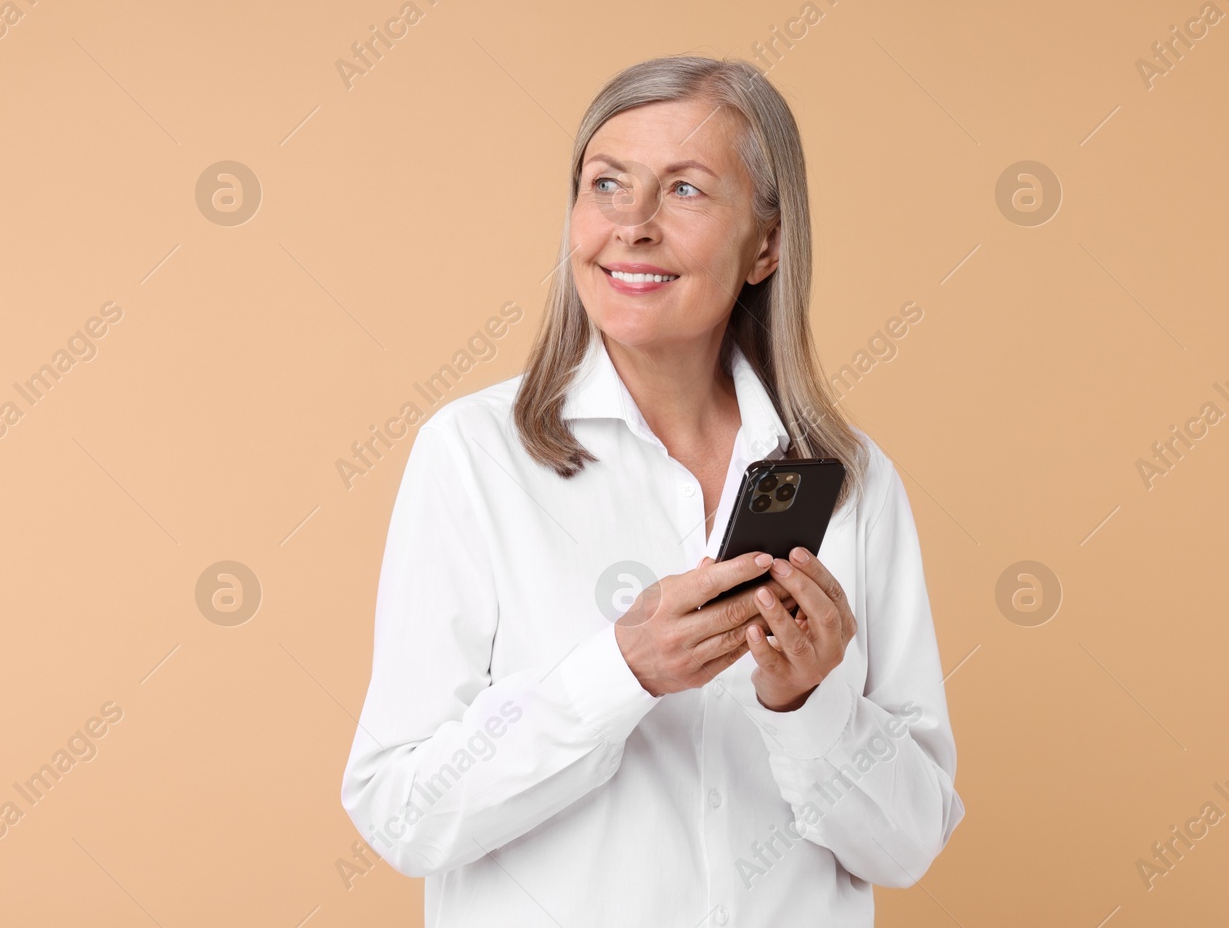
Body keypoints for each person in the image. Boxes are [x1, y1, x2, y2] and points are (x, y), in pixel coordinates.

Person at [340, 55, 964, 926]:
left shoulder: (854, 483)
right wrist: (621, 671)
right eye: (606, 184)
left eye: (684, 191)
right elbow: (399, 810)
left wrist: (809, 707)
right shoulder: (473, 457)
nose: (631, 225)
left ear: (767, 245)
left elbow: (908, 845)